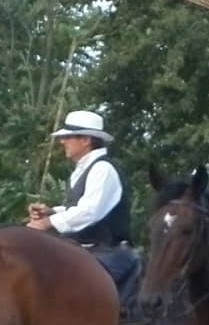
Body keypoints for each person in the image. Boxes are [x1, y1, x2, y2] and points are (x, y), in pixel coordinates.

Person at [27, 108, 139, 292]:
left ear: (86, 140)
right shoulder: (83, 170)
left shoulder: (102, 169)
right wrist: (52, 212)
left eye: (68, 137)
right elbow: (80, 207)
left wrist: (48, 223)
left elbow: (90, 211)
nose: (63, 142)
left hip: (109, 253)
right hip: (88, 252)